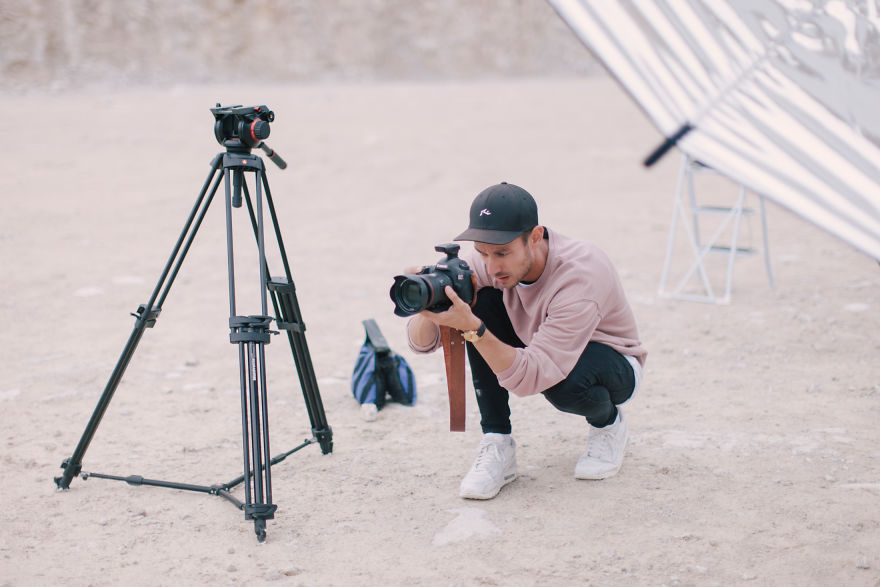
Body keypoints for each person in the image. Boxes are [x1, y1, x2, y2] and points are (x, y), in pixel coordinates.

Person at [405, 182, 646, 500]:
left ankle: (608, 423)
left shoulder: (581, 272)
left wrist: (473, 329)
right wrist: (429, 306)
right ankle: (497, 443)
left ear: (534, 236)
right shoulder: (488, 261)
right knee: (478, 301)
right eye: (482, 253)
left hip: (610, 360)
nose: (492, 266)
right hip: (538, 344)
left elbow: (532, 377)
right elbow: (421, 344)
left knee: (565, 386)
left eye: (502, 253)